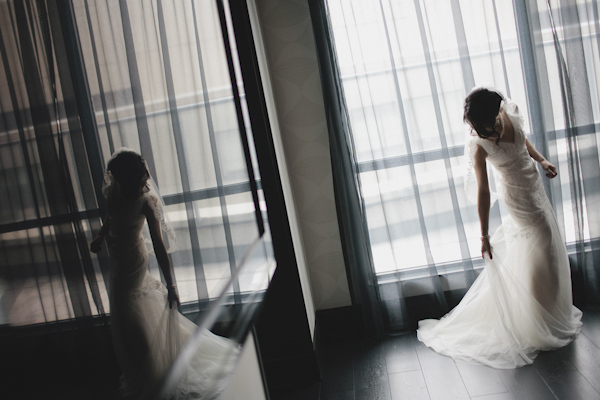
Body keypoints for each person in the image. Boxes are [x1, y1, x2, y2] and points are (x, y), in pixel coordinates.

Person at [416, 88, 582, 369]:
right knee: (545, 250)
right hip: (518, 198)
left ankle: (549, 313)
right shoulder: (479, 145)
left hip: (534, 187)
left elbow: (522, 141)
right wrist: (484, 235)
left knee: (547, 250)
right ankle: (538, 323)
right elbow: (483, 191)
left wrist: (541, 161)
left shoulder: (507, 113)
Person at [90, 148, 239, 399]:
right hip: (116, 259)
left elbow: (159, 246)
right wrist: (100, 236)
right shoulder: (114, 191)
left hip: (133, 261)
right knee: (123, 313)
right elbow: (111, 214)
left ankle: (153, 372)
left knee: (130, 310)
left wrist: (171, 287)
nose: (137, 183)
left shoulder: (146, 202)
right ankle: (141, 367)